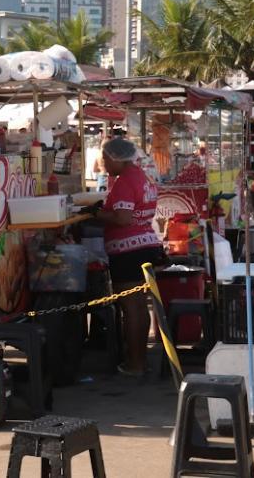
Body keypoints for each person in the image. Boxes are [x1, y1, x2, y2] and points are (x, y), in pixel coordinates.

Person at [89, 138, 167, 377]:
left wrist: (96, 213)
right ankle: (139, 360)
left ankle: (136, 364)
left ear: (114, 158)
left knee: (130, 307)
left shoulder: (125, 181)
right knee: (139, 308)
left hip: (128, 250)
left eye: (104, 159)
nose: (103, 164)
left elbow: (122, 219)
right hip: (145, 245)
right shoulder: (142, 177)